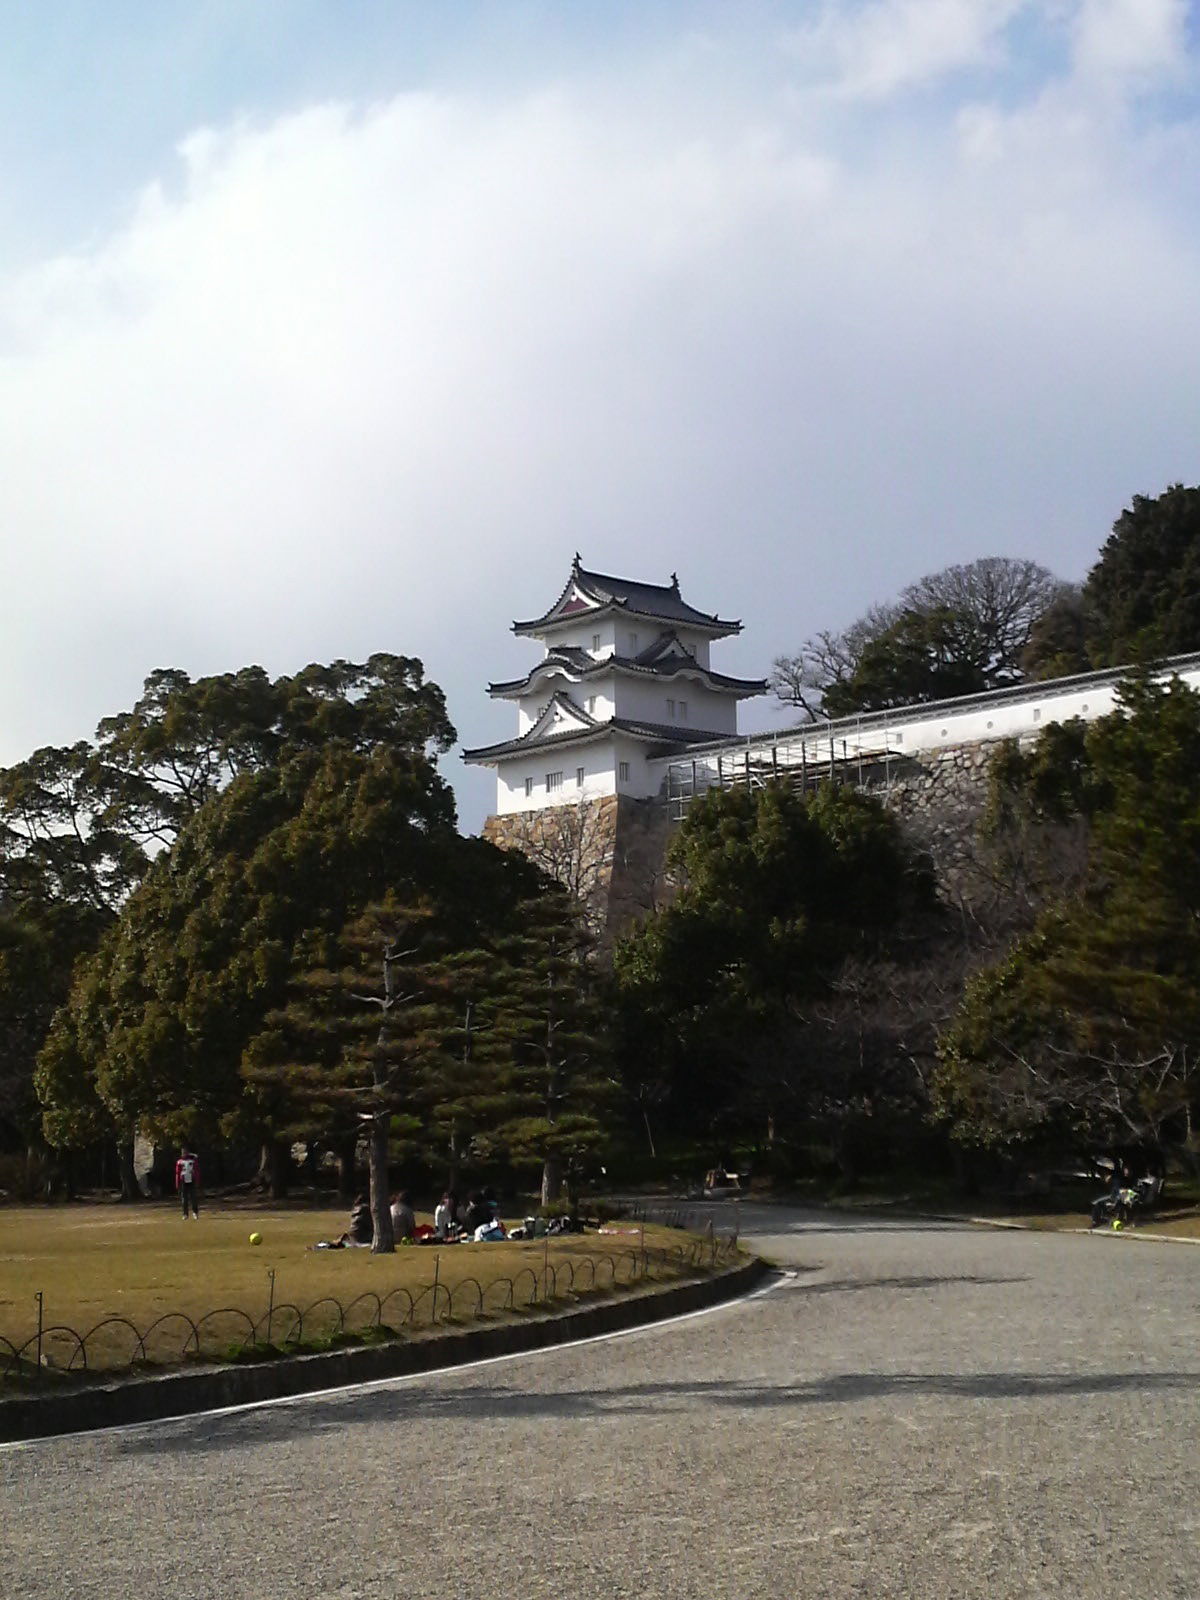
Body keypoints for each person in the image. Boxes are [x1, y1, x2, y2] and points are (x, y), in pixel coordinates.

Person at [175, 1148, 200, 1219]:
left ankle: (195, 1212)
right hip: (183, 1181)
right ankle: (185, 1214)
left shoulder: (193, 1161)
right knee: (184, 1199)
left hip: (192, 1180)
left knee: (193, 1198)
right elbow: (177, 1173)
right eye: (183, 1153)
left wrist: (197, 1181)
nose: (184, 1154)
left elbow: (197, 1171)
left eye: (185, 1153)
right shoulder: (179, 1162)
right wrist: (177, 1183)